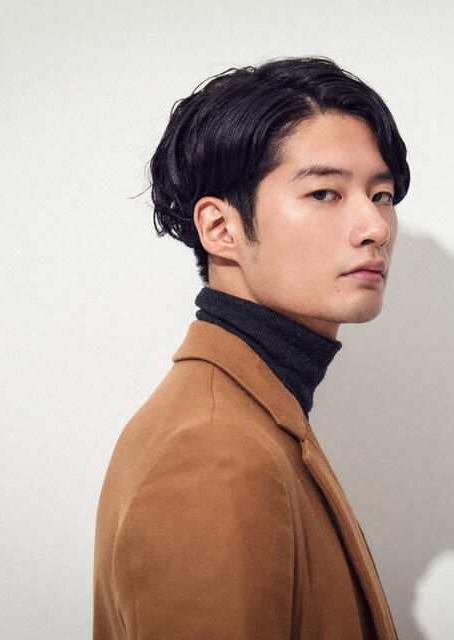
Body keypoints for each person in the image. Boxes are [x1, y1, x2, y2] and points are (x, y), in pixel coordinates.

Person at [93, 56, 410, 640]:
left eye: (382, 194)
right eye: (324, 193)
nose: (376, 227)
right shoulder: (213, 450)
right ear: (221, 229)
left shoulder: (255, 413)